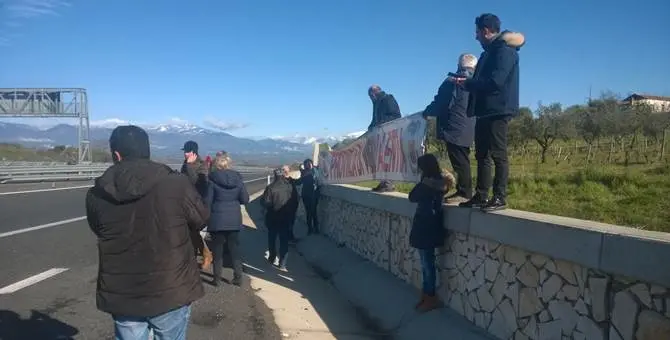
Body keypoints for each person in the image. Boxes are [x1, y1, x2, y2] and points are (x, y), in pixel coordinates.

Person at [86, 125, 208, 340]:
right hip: (171, 286)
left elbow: (98, 229)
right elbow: (201, 219)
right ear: (148, 151)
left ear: (116, 154)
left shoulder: (97, 193)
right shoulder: (176, 183)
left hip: (122, 291)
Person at [450, 14, 525, 212]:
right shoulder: (488, 53)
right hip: (484, 110)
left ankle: (500, 196)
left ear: (485, 31)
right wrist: (466, 84)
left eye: (477, 32)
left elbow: (496, 82)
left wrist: (467, 83)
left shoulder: (504, 52)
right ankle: (481, 196)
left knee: (498, 154)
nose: (476, 37)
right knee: (482, 155)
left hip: (498, 110)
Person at [423, 53, 478, 203]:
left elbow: (440, 102)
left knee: (459, 161)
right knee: (463, 159)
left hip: (453, 126)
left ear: (459, 65)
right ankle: (465, 190)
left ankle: (464, 192)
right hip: (469, 126)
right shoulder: (476, 81)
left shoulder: (453, 81)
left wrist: (427, 112)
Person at [408, 154, 455, 312]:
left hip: (424, 226)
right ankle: (427, 295)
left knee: (427, 264)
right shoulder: (441, 182)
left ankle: (430, 297)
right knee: (427, 263)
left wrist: (422, 182)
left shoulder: (427, 184)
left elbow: (412, 197)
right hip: (432, 224)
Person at [206, 151, 249, 287]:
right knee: (234, 250)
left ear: (216, 165)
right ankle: (238, 277)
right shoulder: (238, 180)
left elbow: (207, 201)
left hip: (217, 219)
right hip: (234, 220)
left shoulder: (212, 180)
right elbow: (245, 199)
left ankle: (217, 279)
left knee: (217, 251)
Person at [180, 140, 214, 269]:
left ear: (193, 152)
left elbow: (200, 183)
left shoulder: (202, 165)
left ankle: (205, 254)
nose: (185, 154)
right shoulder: (185, 164)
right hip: (184, 202)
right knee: (188, 231)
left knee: (193, 230)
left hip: (197, 203)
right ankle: (201, 255)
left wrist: (188, 167)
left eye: (186, 151)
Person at [261, 168, 299, 271]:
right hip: (286, 218)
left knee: (272, 238)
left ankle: (272, 257)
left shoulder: (270, 187)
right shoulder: (290, 187)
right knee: (284, 240)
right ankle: (282, 263)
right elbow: (295, 201)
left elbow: (265, 202)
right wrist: (292, 214)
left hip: (273, 217)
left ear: (275, 175)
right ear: (283, 175)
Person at [367, 85, 401, 192]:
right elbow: (375, 119)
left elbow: (396, 116)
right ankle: (383, 183)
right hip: (379, 137)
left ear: (373, 93)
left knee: (388, 159)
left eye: (370, 96)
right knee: (380, 160)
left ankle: (389, 184)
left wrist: (379, 124)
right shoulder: (376, 104)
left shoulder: (388, 99)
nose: (370, 98)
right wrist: (371, 126)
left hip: (389, 135)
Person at [293, 159, 322, 235]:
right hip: (306, 195)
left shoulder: (315, 171)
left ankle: (315, 228)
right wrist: (290, 180)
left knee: (313, 212)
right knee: (309, 212)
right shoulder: (305, 173)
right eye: (306, 164)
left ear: (312, 164)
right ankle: (311, 228)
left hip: (314, 195)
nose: (308, 166)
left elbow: (319, 182)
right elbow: (299, 182)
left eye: (309, 164)